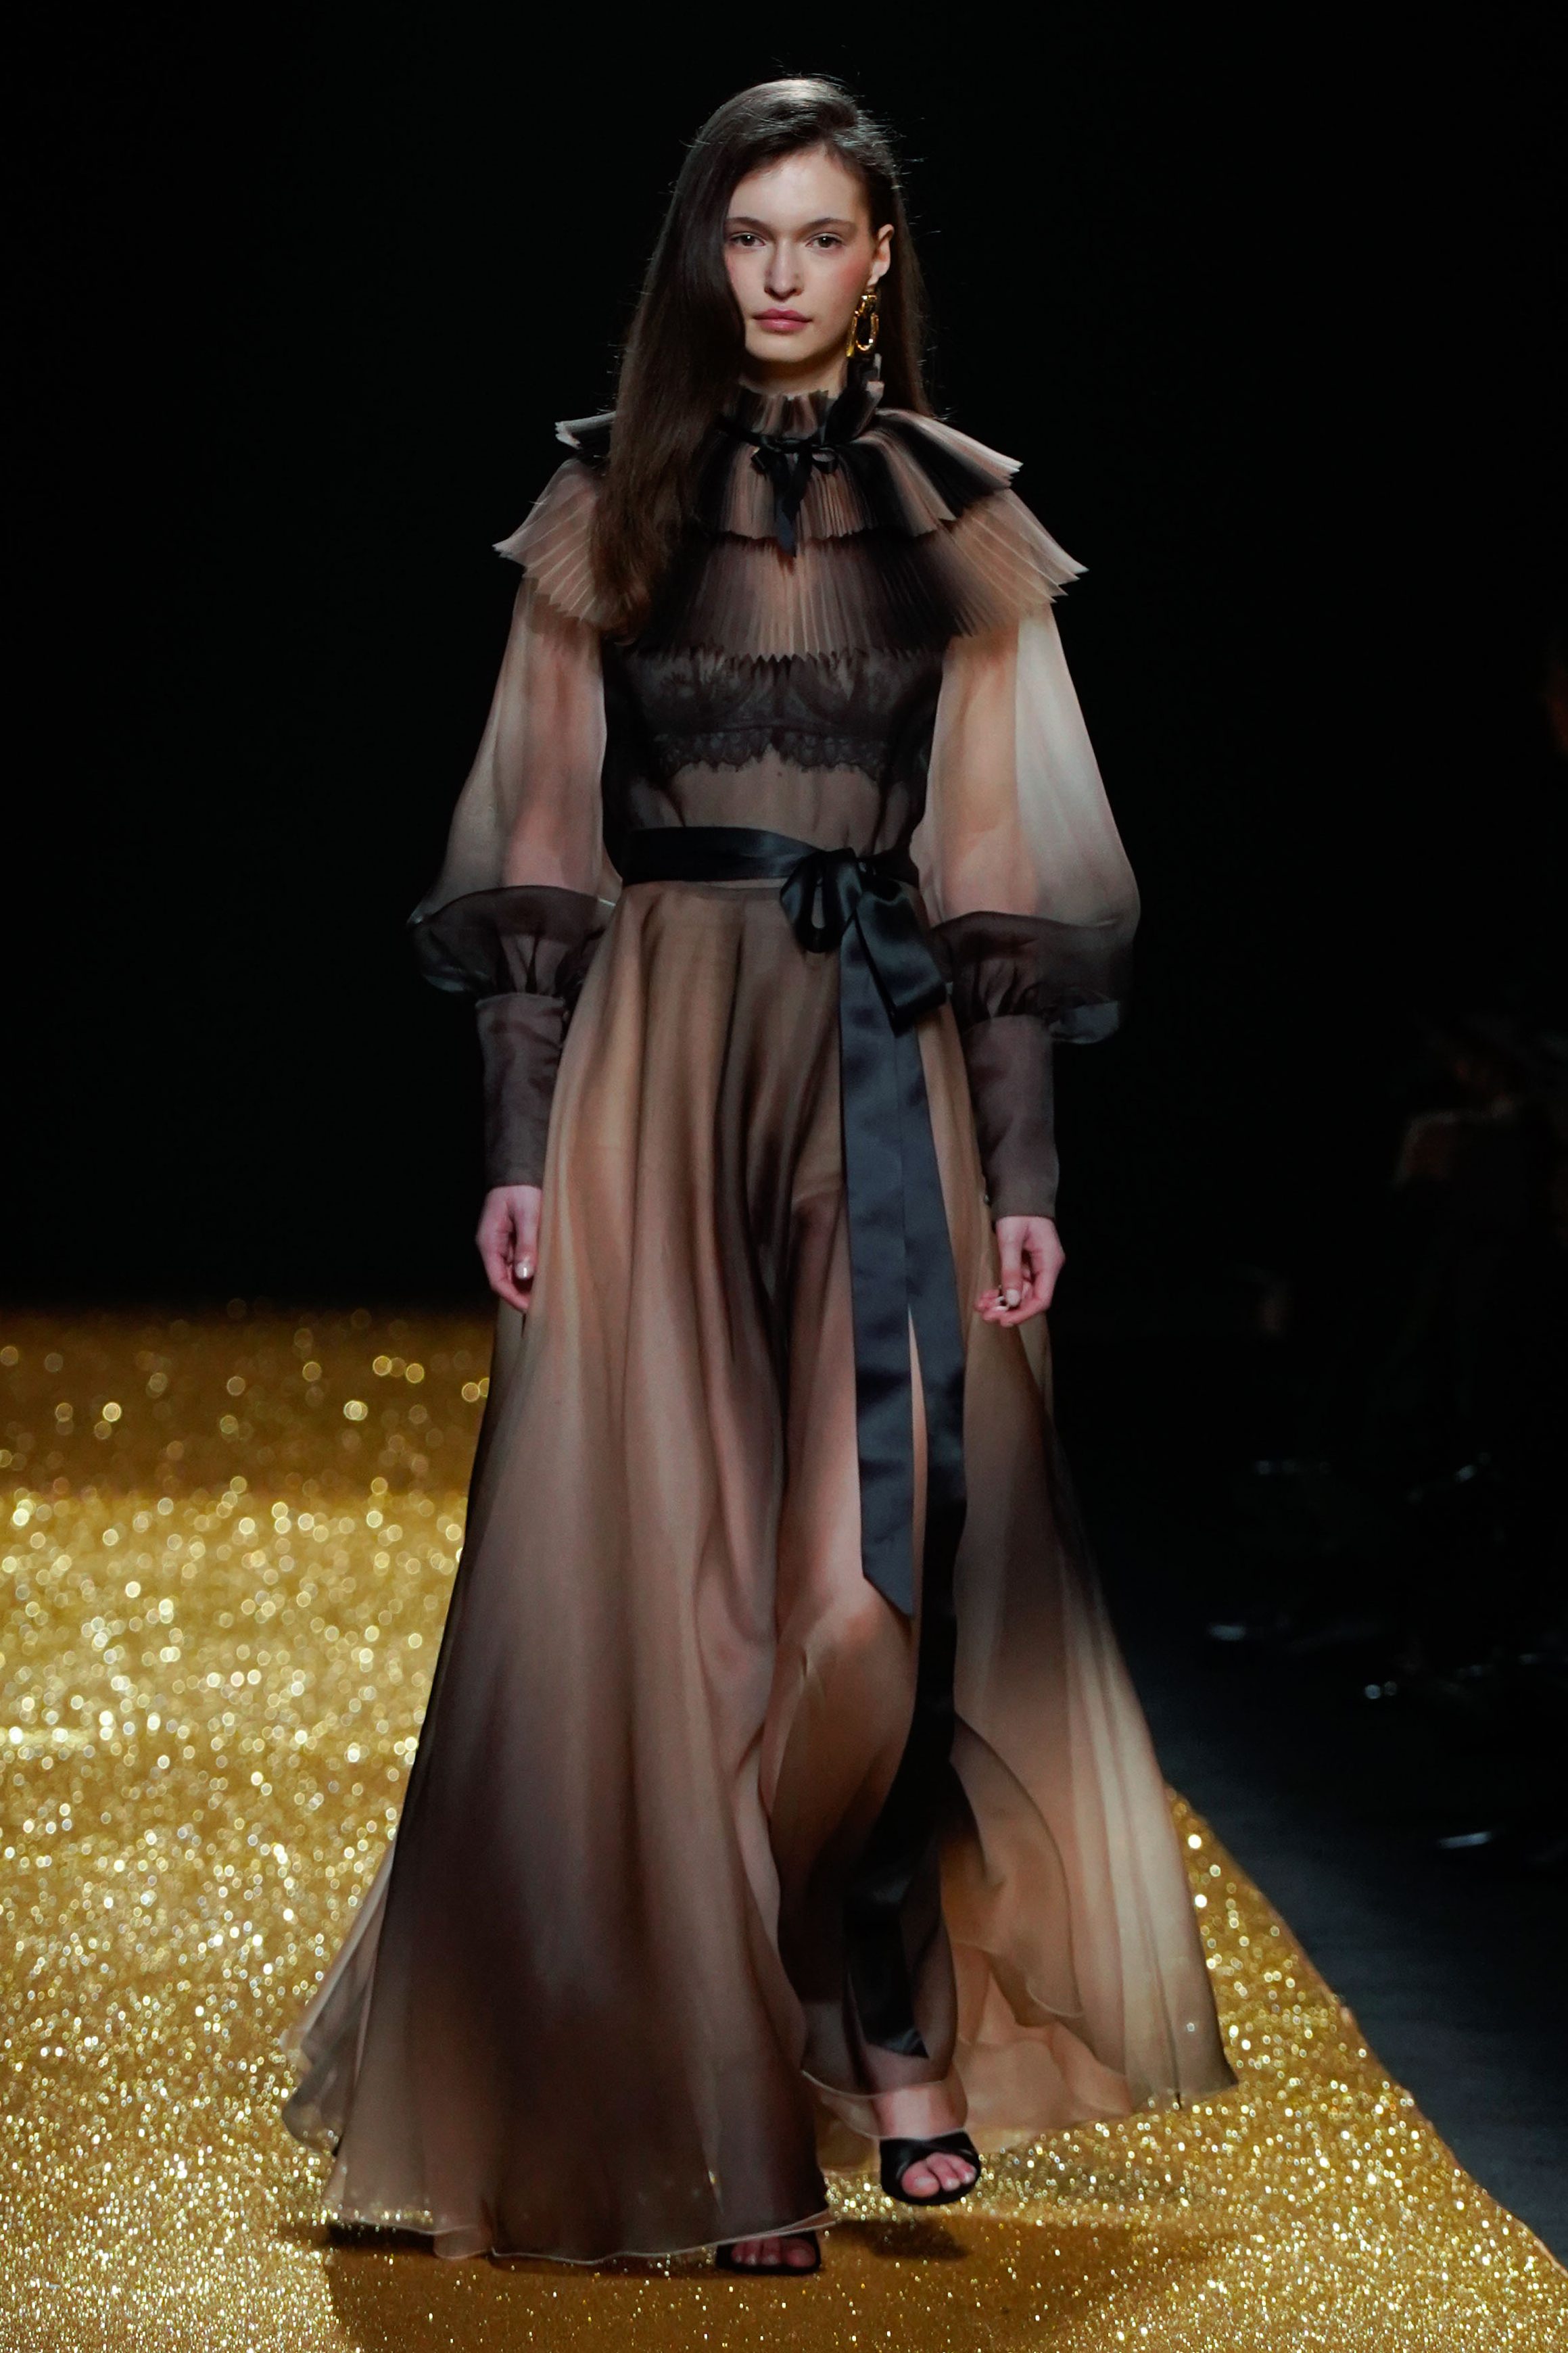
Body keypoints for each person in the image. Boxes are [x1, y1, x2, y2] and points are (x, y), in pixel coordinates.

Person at [280, 76, 1231, 2276]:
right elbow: (540, 837)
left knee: (859, 1607)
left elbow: (998, 864)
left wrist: (1022, 1162)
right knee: (669, 1608)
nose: (783, 272)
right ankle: (735, 2117)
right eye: (748, 235)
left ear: (880, 262)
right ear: (705, 260)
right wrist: (520, 1138)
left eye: (821, 235)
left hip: (879, 1059)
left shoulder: (957, 522)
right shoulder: (605, 509)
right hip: (652, 1057)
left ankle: (849, 1980)